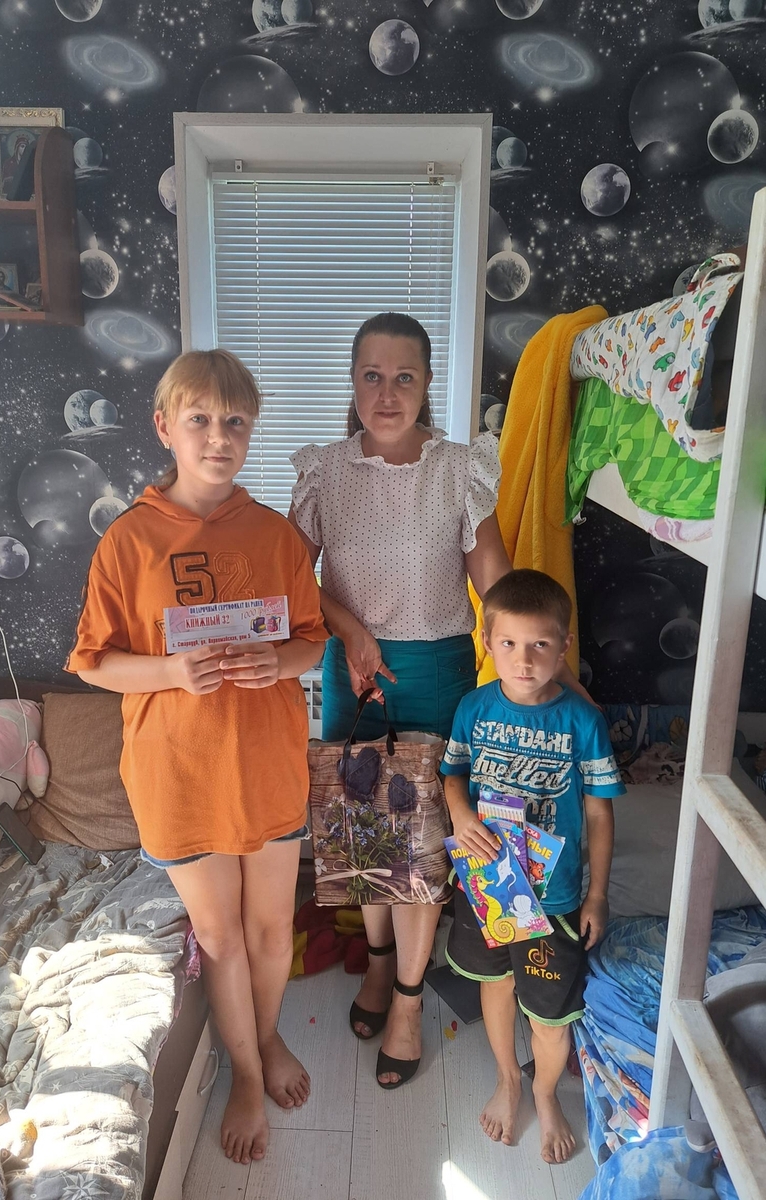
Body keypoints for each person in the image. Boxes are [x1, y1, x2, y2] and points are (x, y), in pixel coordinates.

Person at [67, 349, 328, 1166]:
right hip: (177, 775)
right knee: (221, 938)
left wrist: (275, 662)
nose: (220, 437)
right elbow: (92, 661)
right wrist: (172, 672)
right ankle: (246, 1074)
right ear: (165, 428)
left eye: (236, 422)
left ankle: (268, 1035)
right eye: (201, 421)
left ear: (251, 431)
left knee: (272, 930)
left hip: (268, 764)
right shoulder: (129, 540)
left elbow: (312, 642)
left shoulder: (277, 536)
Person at [289, 311, 517, 1090]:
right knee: (366, 842)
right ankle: (380, 963)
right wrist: (351, 629)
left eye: (404, 378)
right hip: (351, 672)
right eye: (372, 377)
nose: (387, 394)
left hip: (436, 672)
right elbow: (293, 584)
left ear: (426, 385)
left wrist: (542, 664)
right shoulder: (323, 471)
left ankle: (410, 1003)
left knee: (420, 849)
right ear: (353, 384)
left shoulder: (459, 469)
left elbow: (497, 586)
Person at [441, 569, 625, 1164]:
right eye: (509, 643)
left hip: (555, 899)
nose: (523, 660)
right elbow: (451, 774)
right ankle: (508, 1080)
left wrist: (597, 895)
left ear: (564, 646)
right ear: (487, 643)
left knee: (550, 1016)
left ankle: (544, 1094)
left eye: (540, 644)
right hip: (487, 884)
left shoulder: (583, 721)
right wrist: (460, 813)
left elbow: (599, 814)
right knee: (494, 985)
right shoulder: (473, 707)